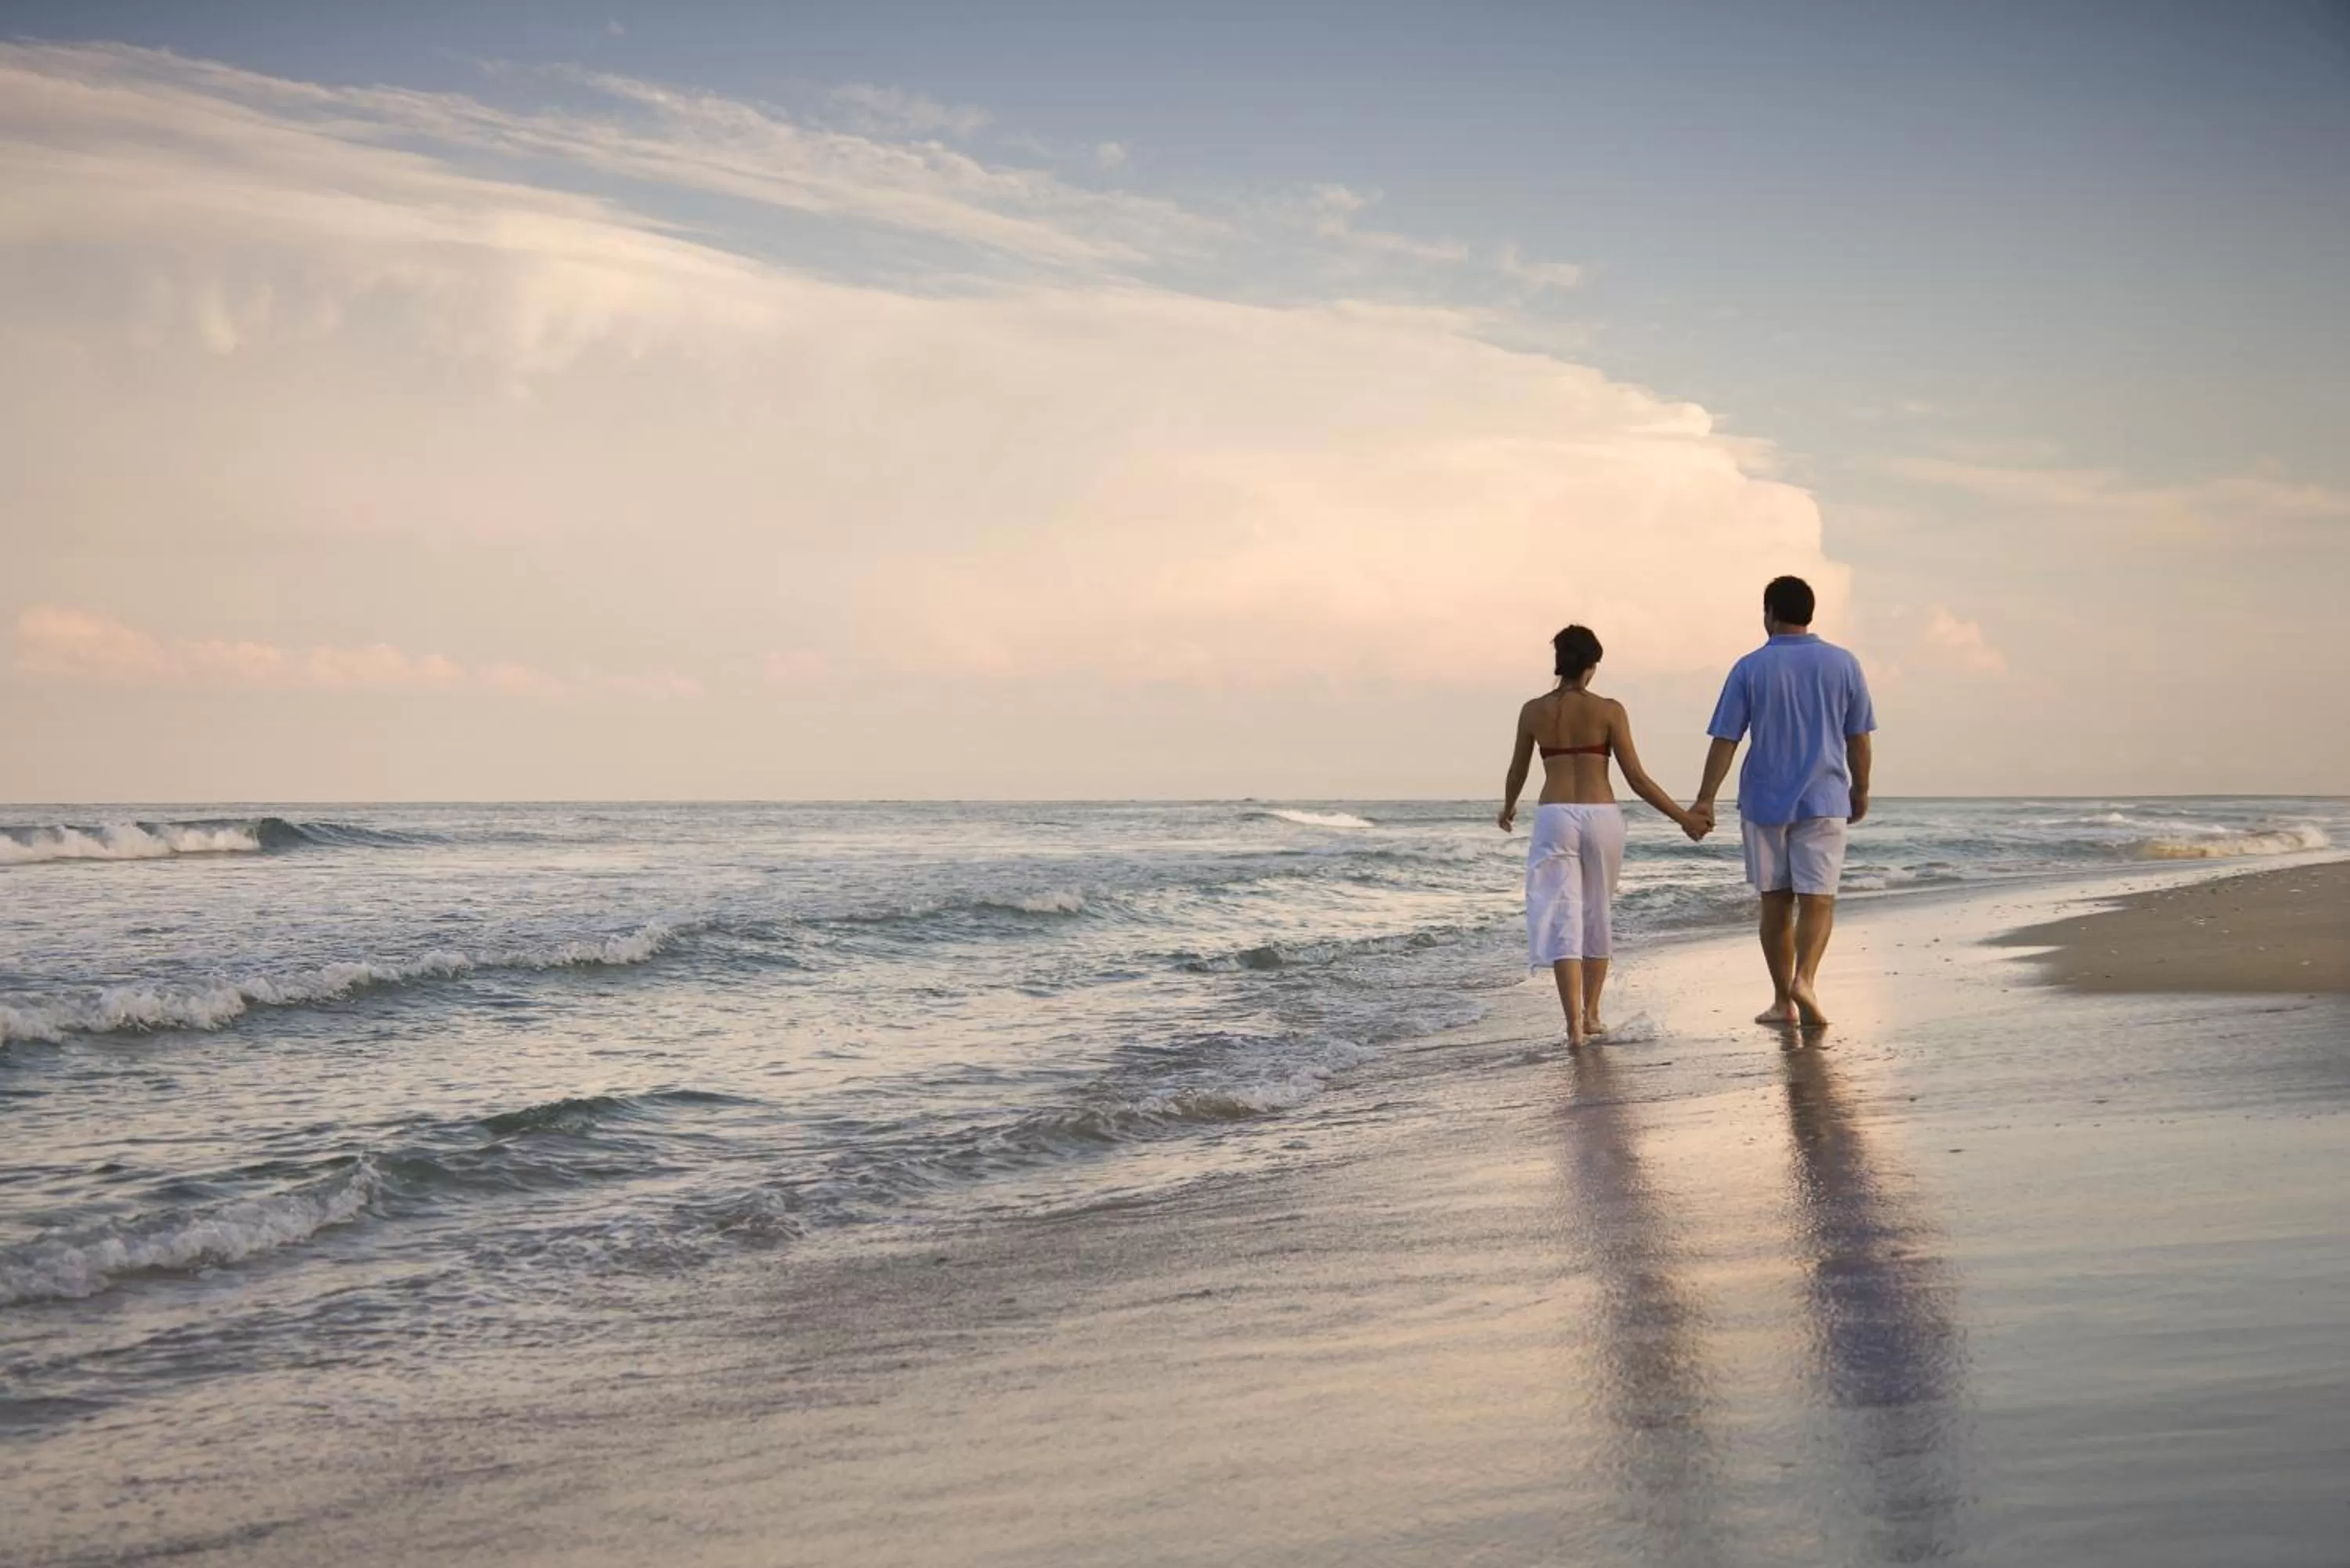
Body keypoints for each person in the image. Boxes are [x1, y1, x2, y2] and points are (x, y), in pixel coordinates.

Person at [1501, 625, 1708, 1046]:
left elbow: (1518, 770)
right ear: (1593, 666)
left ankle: (1573, 1027)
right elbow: (1637, 779)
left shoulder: (1532, 711)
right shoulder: (1610, 710)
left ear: (1559, 662)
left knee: (1563, 918)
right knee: (1597, 912)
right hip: (1601, 816)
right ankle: (1592, 1013)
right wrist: (1683, 818)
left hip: (1554, 814)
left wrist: (1507, 807)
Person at [1689, 576, 1876, 1028]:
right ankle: (1805, 980)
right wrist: (1861, 789)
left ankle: (1781, 1002)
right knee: (1819, 900)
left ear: (1769, 613)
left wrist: (1705, 800)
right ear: (1810, 613)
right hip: (1826, 796)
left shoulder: (1750, 668)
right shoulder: (1843, 664)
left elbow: (1726, 739)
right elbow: (1859, 738)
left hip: (1763, 800)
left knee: (1775, 902)